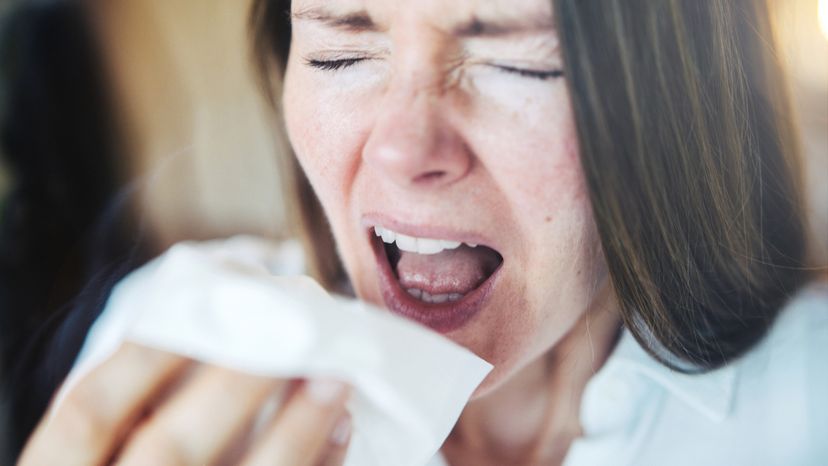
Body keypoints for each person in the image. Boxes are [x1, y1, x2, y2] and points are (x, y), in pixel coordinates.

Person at [16, 0, 828, 465]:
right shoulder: (176, 347)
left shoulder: (805, 404)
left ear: (677, 106)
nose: (403, 150)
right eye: (340, 48)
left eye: (523, 64)